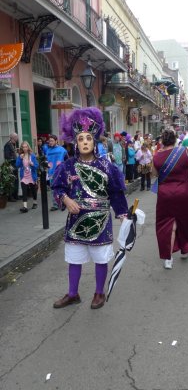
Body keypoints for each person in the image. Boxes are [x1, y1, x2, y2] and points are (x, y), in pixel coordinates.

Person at [51, 107, 128, 309]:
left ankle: (99, 293)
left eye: (88, 138)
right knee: (74, 259)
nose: (85, 142)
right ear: (75, 143)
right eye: (80, 139)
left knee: (101, 258)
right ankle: (72, 294)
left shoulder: (107, 167)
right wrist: (66, 200)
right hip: (76, 222)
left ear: (94, 142)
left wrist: (123, 215)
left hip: (101, 221)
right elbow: (57, 188)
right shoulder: (67, 166)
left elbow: (116, 193)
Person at [153, 129, 188, 270]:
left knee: (167, 224)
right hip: (184, 192)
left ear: (162, 141)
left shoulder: (156, 156)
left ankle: (168, 258)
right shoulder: (185, 151)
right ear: (175, 140)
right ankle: (185, 249)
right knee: (185, 221)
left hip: (165, 194)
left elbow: (154, 175)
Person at [46, 134, 68, 211]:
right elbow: (46, 160)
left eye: (52, 141)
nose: (50, 142)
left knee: (61, 187)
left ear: (56, 141)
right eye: (49, 141)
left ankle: (63, 202)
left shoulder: (62, 150)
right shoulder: (48, 150)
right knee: (53, 189)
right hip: (51, 172)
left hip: (60, 171)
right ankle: (55, 204)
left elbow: (67, 160)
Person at [16, 141, 39, 213]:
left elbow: (36, 166)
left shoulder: (32, 156)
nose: (25, 148)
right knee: (24, 191)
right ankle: (25, 207)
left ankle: (35, 202)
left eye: (26, 147)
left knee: (33, 191)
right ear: (21, 148)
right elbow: (17, 165)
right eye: (23, 147)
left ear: (28, 147)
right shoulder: (20, 156)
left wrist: (32, 164)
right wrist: (20, 158)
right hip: (24, 176)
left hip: (31, 176)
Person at [4, 132, 19, 201]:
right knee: (12, 181)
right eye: (16, 137)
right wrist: (14, 158)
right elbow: (7, 156)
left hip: (15, 165)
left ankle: (16, 195)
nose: (17, 138)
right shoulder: (7, 145)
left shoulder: (14, 144)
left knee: (16, 180)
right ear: (13, 137)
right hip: (11, 165)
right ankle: (11, 197)